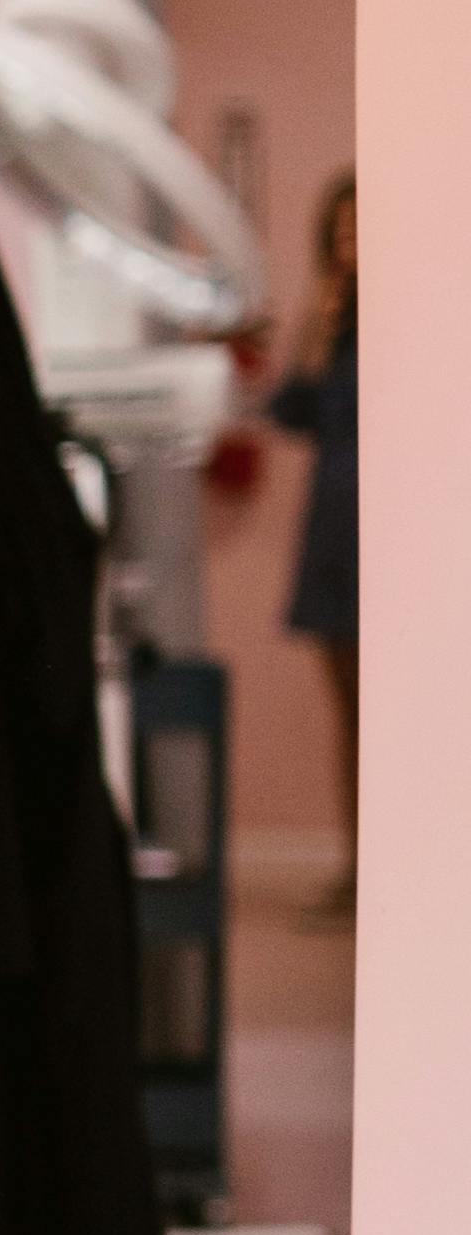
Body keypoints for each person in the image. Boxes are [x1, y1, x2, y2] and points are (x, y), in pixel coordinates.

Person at [270, 169, 359, 909]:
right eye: (340, 234)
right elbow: (289, 412)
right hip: (332, 528)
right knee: (348, 712)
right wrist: (320, 325)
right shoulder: (329, 325)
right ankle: (356, 866)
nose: (350, 246)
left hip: (379, 527)